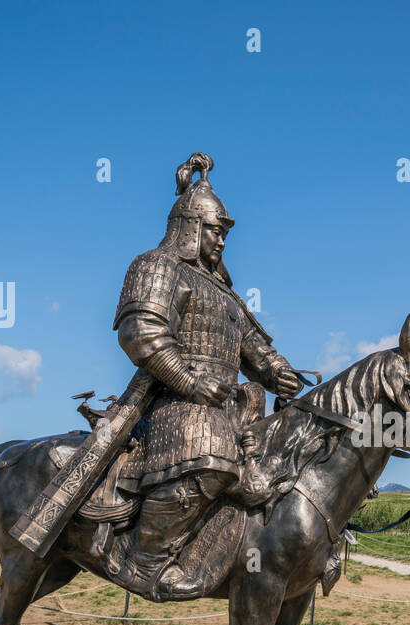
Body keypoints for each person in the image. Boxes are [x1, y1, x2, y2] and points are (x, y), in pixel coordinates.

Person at [108, 153, 301, 599]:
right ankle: (145, 558)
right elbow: (141, 333)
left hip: (232, 405)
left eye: (226, 233)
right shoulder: (157, 266)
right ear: (192, 227)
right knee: (212, 458)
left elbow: (256, 349)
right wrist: (191, 380)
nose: (223, 241)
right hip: (174, 399)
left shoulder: (225, 294)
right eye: (217, 231)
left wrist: (278, 372)